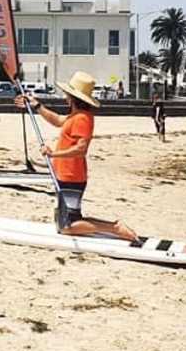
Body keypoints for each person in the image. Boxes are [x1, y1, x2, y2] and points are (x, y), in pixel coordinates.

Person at [15, 71, 138, 242]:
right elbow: (57, 120)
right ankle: (114, 226)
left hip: (72, 176)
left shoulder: (82, 118)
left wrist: (54, 153)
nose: (65, 96)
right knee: (66, 221)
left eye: (67, 94)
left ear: (72, 97)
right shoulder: (76, 116)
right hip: (65, 174)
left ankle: (115, 227)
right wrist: (37, 106)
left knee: (67, 226)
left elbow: (81, 149)